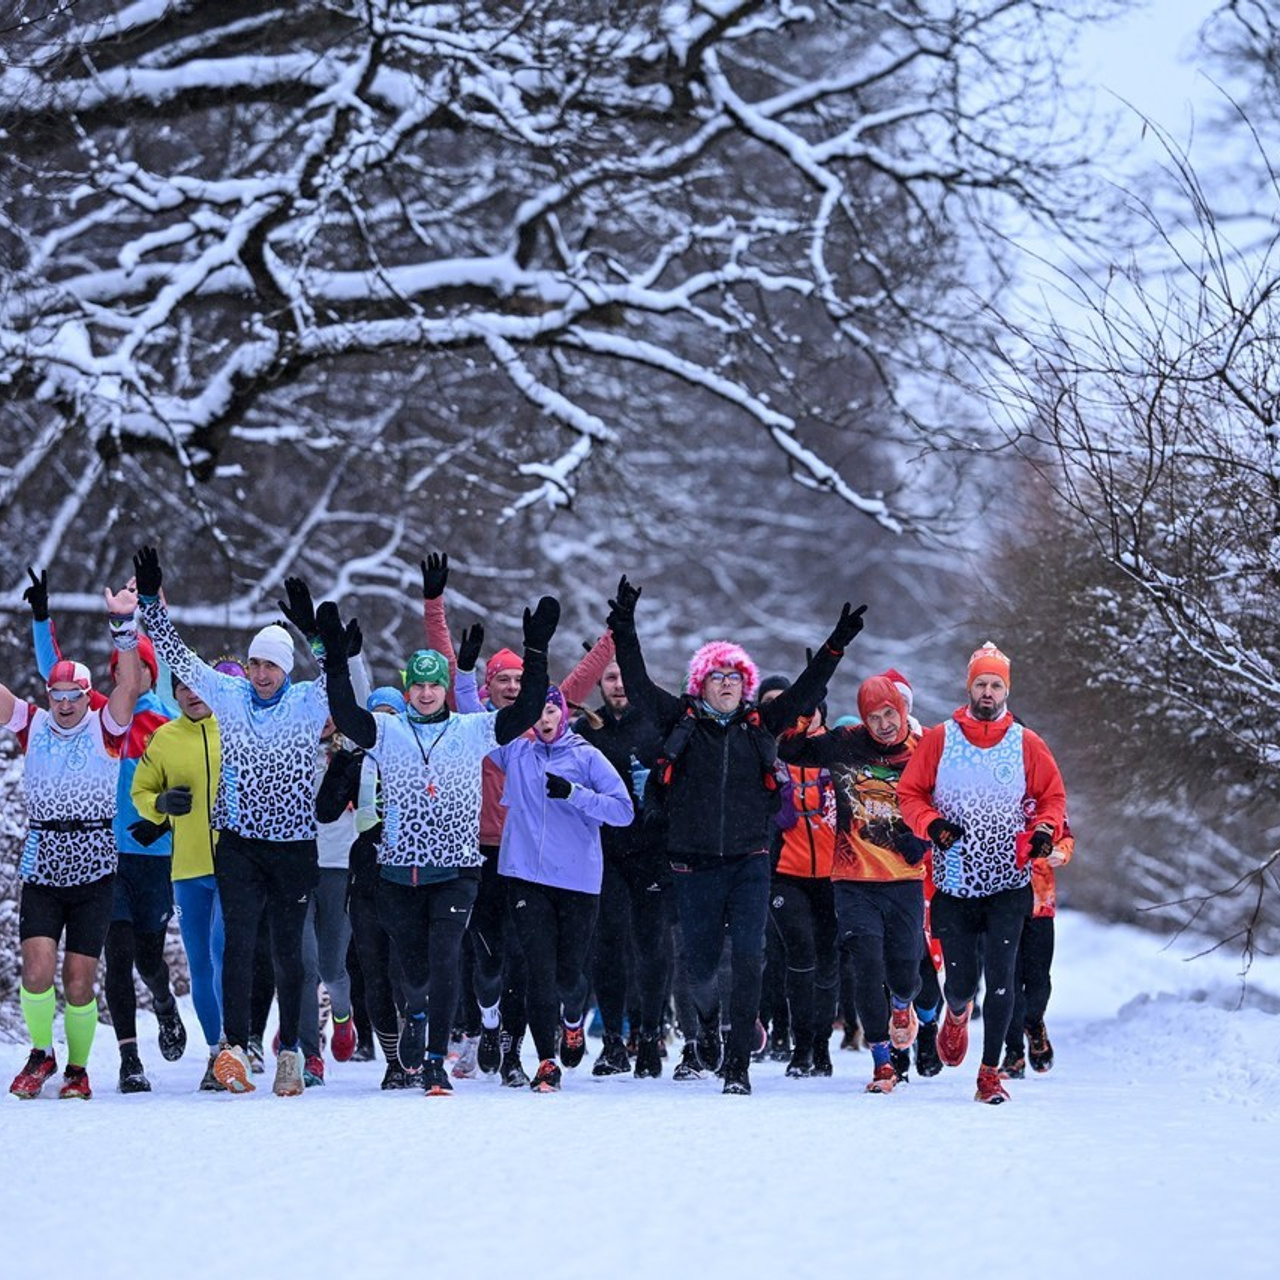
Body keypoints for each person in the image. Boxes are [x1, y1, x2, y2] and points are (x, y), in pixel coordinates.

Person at [606, 575, 866, 1095]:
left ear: (744, 685)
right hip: (691, 864)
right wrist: (625, 629)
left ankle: (737, 1066)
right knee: (700, 968)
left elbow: (803, 695)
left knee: (750, 957)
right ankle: (704, 1027)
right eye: (716, 676)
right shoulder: (677, 722)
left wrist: (835, 646)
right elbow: (635, 684)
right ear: (699, 684)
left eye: (734, 676)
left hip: (749, 860)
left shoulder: (760, 725)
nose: (725, 683)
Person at [318, 594, 561, 1095]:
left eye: (435, 684)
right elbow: (344, 711)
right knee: (412, 969)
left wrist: (536, 652)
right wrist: (337, 661)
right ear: (408, 689)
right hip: (397, 872)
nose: (427, 693)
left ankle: (433, 1062)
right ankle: (417, 1012)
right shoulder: (385, 731)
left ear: (445, 688)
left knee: (447, 957)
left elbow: (528, 710)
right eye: (419, 685)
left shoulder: (472, 730)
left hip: (455, 870)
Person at [132, 546, 335, 1097]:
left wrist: (314, 633)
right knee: (238, 944)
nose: (261, 673)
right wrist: (150, 602)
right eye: (255, 663)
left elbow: (342, 679)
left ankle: (289, 1049)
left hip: (293, 847)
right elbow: (176, 654)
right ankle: (236, 1048)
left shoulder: (309, 704)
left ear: (287, 670)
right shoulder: (228, 694)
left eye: (271, 665)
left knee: (289, 953)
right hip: (240, 844)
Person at [419, 551, 614, 1087]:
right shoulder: (477, 724)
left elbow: (578, 680)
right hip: (480, 851)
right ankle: (486, 1025)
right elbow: (446, 668)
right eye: (501, 681)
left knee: (533, 965)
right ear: (489, 686)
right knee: (488, 961)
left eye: (517, 682)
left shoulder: (542, 723)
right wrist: (434, 604)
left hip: (534, 859)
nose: (510, 688)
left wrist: (615, 635)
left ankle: (516, 1051)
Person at [24, 567, 185, 1094]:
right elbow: (55, 675)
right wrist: (41, 618)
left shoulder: (163, 717)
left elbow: (183, 785)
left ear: (148, 672)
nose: (129, 677)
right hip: (104, 852)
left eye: (136, 669)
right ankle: (128, 1060)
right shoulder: (95, 714)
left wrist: (161, 815)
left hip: (153, 851)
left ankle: (163, 1001)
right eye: (121, 669)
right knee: (116, 956)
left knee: (146, 956)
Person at [898, 642, 1067, 1105]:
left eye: (995, 685)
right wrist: (932, 825)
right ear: (969, 687)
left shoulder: (1026, 742)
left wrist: (1043, 832)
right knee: (960, 982)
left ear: (1005, 690)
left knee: (1002, 978)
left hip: (1009, 883)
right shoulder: (940, 738)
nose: (988, 692)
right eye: (981, 684)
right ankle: (955, 1012)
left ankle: (989, 1073)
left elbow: (1052, 798)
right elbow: (909, 794)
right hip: (955, 882)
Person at [4, 583, 145, 1100]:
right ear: (48, 696)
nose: (64, 705)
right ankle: (41, 1055)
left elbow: (129, 686)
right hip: (43, 861)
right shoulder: (32, 723)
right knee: (37, 970)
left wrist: (125, 627)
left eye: (74, 697)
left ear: (88, 697)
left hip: (92, 868)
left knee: (79, 981)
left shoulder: (106, 728)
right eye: (56, 696)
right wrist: (39, 618)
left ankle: (78, 1070)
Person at [778, 672, 930, 1093]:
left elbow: (946, 801)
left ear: (902, 712)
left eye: (889, 714)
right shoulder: (845, 741)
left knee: (903, 973)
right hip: (853, 876)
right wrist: (806, 709)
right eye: (874, 716)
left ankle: (903, 1005)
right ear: (863, 718)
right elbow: (791, 749)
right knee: (865, 965)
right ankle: (882, 1062)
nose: (883, 723)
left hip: (903, 879)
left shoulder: (926, 748)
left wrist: (922, 839)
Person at [491, 685, 634, 1091]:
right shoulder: (516, 752)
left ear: (562, 712)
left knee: (569, 975)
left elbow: (623, 811)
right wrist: (464, 673)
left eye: (551, 710)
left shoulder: (587, 756)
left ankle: (573, 1018)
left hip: (577, 881)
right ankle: (547, 1061)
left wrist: (574, 794)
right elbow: (473, 717)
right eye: (536, 712)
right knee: (539, 970)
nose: (544, 718)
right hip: (526, 878)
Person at [573, 658, 671, 1079]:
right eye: (610, 677)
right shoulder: (586, 731)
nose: (618, 685)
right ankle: (612, 1040)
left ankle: (650, 1036)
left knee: (651, 946)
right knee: (608, 944)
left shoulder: (659, 725)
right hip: (604, 852)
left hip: (653, 850)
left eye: (624, 676)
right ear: (601, 683)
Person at [131, 676, 226, 1090]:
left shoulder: (234, 728)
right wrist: (160, 805)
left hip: (234, 866)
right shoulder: (164, 738)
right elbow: (141, 791)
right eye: (183, 688)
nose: (192, 693)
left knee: (224, 955)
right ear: (174, 693)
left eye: (197, 685)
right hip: (186, 870)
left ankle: (238, 1045)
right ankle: (215, 1053)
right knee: (201, 962)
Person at [762, 685, 839, 1079]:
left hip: (834, 874)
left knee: (828, 961)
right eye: (797, 714)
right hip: (786, 873)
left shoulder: (841, 754)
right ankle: (801, 1044)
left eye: (812, 712)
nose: (804, 720)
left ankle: (822, 1044)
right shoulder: (774, 756)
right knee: (800, 953)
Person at [1002, 817, 1073, 1078]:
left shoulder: (1045, 798)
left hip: (1040, 903)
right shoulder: (990, 791)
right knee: (1008, 982)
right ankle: (1014, 1054)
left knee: (1038, 980)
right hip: (1000, 903)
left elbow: (1065, 835)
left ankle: (1033, 1023)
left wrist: (1061, 853)